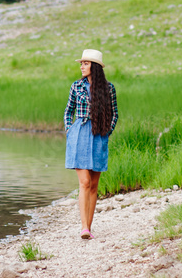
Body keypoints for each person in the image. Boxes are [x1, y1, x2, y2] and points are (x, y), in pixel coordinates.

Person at [63, 48, 118, 239]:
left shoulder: (108, 89)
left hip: (98, 135)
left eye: (85, 64)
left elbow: (114, 114)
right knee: (84, 182)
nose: (81, 67)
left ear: (94, 67)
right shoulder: (76, 86)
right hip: (79, 135)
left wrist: (106, 133)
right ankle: (84, 228)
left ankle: (89, 227)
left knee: (94, 185)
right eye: (81, 63)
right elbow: (68, 111)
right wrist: (70, 130)